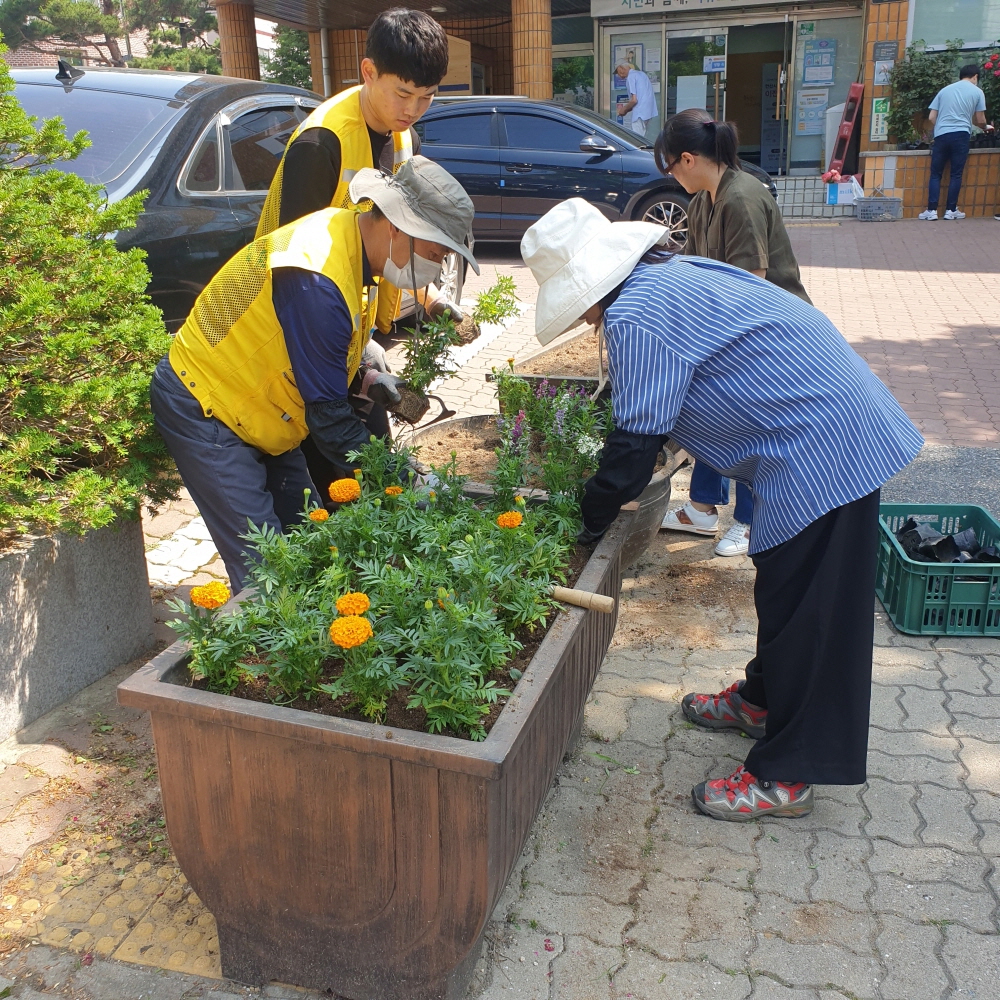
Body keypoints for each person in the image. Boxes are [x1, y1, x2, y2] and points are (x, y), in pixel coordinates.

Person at [520, 198, 923, 821]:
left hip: (824, 444)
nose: (587, 322)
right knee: (787, 595)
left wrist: (587, 520)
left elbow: (634, 448)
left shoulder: (636, 314)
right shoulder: (666, 279)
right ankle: (763, 701)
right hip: (818, 432)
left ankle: (788, 773)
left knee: (813, 611)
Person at [150, 157, 478, 594]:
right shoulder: (317, 276)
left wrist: (365, 374)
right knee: (267, 571)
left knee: (310, 538)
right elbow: (330, 422)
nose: (435, 270)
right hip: (209, 406)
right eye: (435, 255)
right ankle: (261, 647)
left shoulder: (355, 241)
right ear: (399, 227)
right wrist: (402, 478)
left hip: (270, 409)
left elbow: (311, 345)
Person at [654, 109, 812, 558]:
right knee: (707, 406)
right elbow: (693, 271)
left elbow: (751, 285)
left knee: (749, 423)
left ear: (687, 158)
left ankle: (749, 521)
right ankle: (702, 509)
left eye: (668, 166)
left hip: (773, 332)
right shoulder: (703, 200)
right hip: (737, 323)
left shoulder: (742, 197)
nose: (669, 175)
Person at [918, 64, 994, 221]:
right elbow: (979, 120)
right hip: (961, 135)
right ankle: (950, 210)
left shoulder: (944, 90)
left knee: (936, 174)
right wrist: (985, 127)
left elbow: (932, 118)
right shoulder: (977, 92)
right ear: (975, 76)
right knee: (956, 174)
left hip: (941, 135)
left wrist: (942, 126)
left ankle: (931, 211)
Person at [615, 62, 657, 137]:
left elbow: (634, 100)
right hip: (647, 113)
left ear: (621, 68)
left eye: (617, 72)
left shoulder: (631, 77)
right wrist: (626, 110)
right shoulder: (642, 74)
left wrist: (623, 109)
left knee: (637, 140)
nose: (618, 75)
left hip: (639, 114)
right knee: (642, 138)